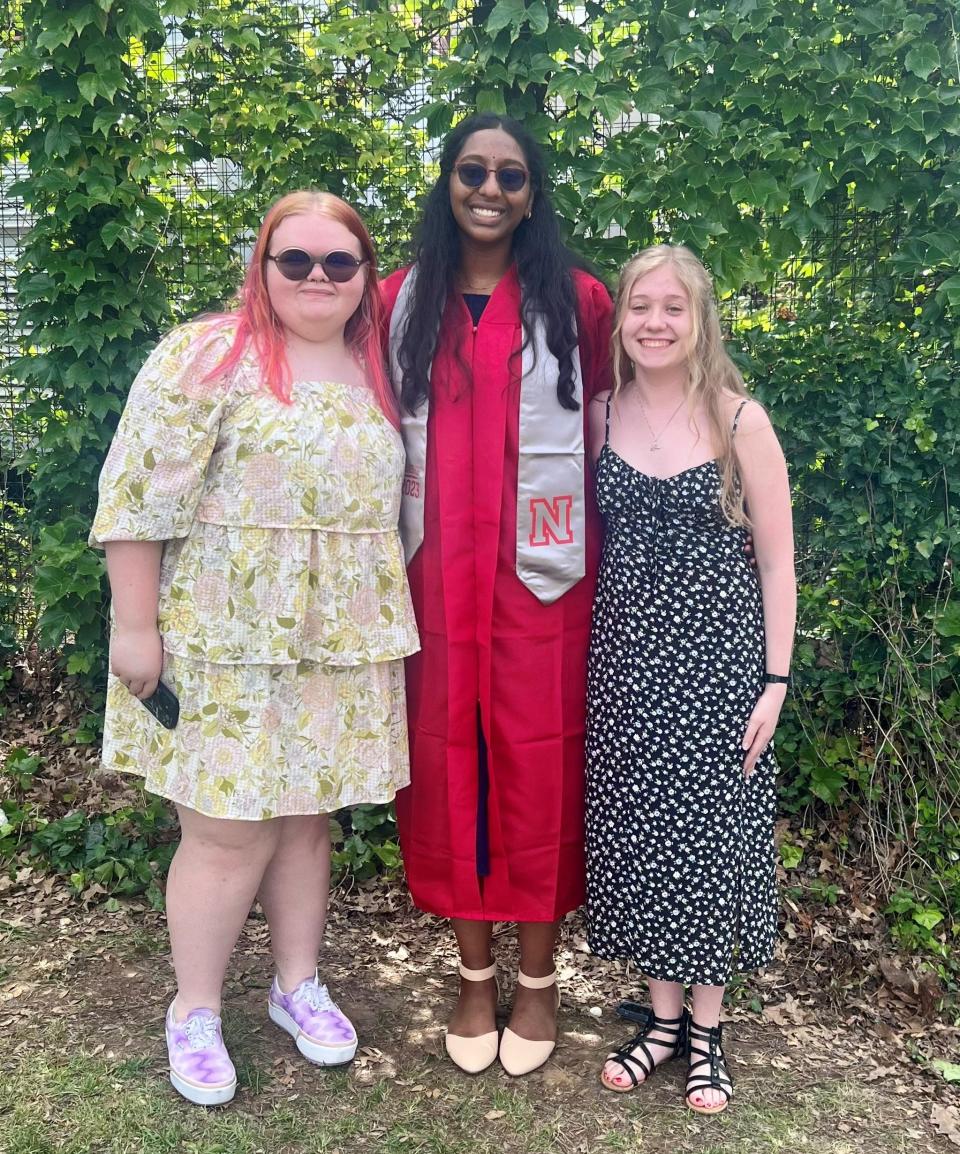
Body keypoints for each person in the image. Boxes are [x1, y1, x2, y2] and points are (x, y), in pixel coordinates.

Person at [90, 191, 419, 1106]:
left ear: (364, 275)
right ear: (263, 267)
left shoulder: (378, 365)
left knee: (308, 818)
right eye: (296, 260)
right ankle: (193, 1009)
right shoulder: (208, 355)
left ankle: (294, 985)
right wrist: (134, 625)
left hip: (339, 641)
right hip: (224, 637)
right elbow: (138, 500)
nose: (318, 277)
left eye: (339, 262)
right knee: (228, 829)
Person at [382, 113, 613, 1077]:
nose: (489, 188)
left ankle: (537, 983)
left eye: (510, 175)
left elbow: (610, 428)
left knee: (538, 771)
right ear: (445, 181)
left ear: (533, 192)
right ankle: (473, 976)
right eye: (471, 170)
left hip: (543, 587)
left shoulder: (583, 301)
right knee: (451, 768)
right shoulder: (399, 299)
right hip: (435, 578)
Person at [584, 244, 795, 1114]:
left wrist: (775, 682)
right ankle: (661, 1021)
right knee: (641, 836)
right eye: (640, 305)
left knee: (709, 843)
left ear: (700, 318)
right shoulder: (598, 414)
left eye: (674, 307)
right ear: (621, 318)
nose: (655, 322)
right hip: (624, 667)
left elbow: (778, 563)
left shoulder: (741, 419)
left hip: (721, 669)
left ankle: (706, 1030)